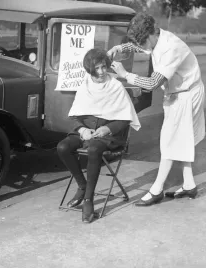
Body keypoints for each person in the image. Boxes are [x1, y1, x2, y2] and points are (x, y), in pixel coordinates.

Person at [107, 12, 205, 206]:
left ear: (152, 33)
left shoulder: (170, 47)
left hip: (186, 94)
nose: (141, 46)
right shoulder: (156, 38)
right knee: (182, 140)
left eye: (142, 41)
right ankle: (189, 184)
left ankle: (156, 189)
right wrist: (119, 47)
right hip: (178, 93)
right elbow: (139, 46)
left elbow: (152, 83)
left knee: (169, 142)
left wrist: (125, 74)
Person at [57, 48, 141, 223]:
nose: (102, 72)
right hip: (87, 130)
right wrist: (81, 129)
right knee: (63, 147)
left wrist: (107, 129)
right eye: (97, 69)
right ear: (89, 70)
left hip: (109, 134)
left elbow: (125, 119)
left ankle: (88, 200)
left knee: (94, 149)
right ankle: (82, 185)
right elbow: (74, 116)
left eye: (104, 67)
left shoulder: (115, 86)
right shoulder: (85, 85)